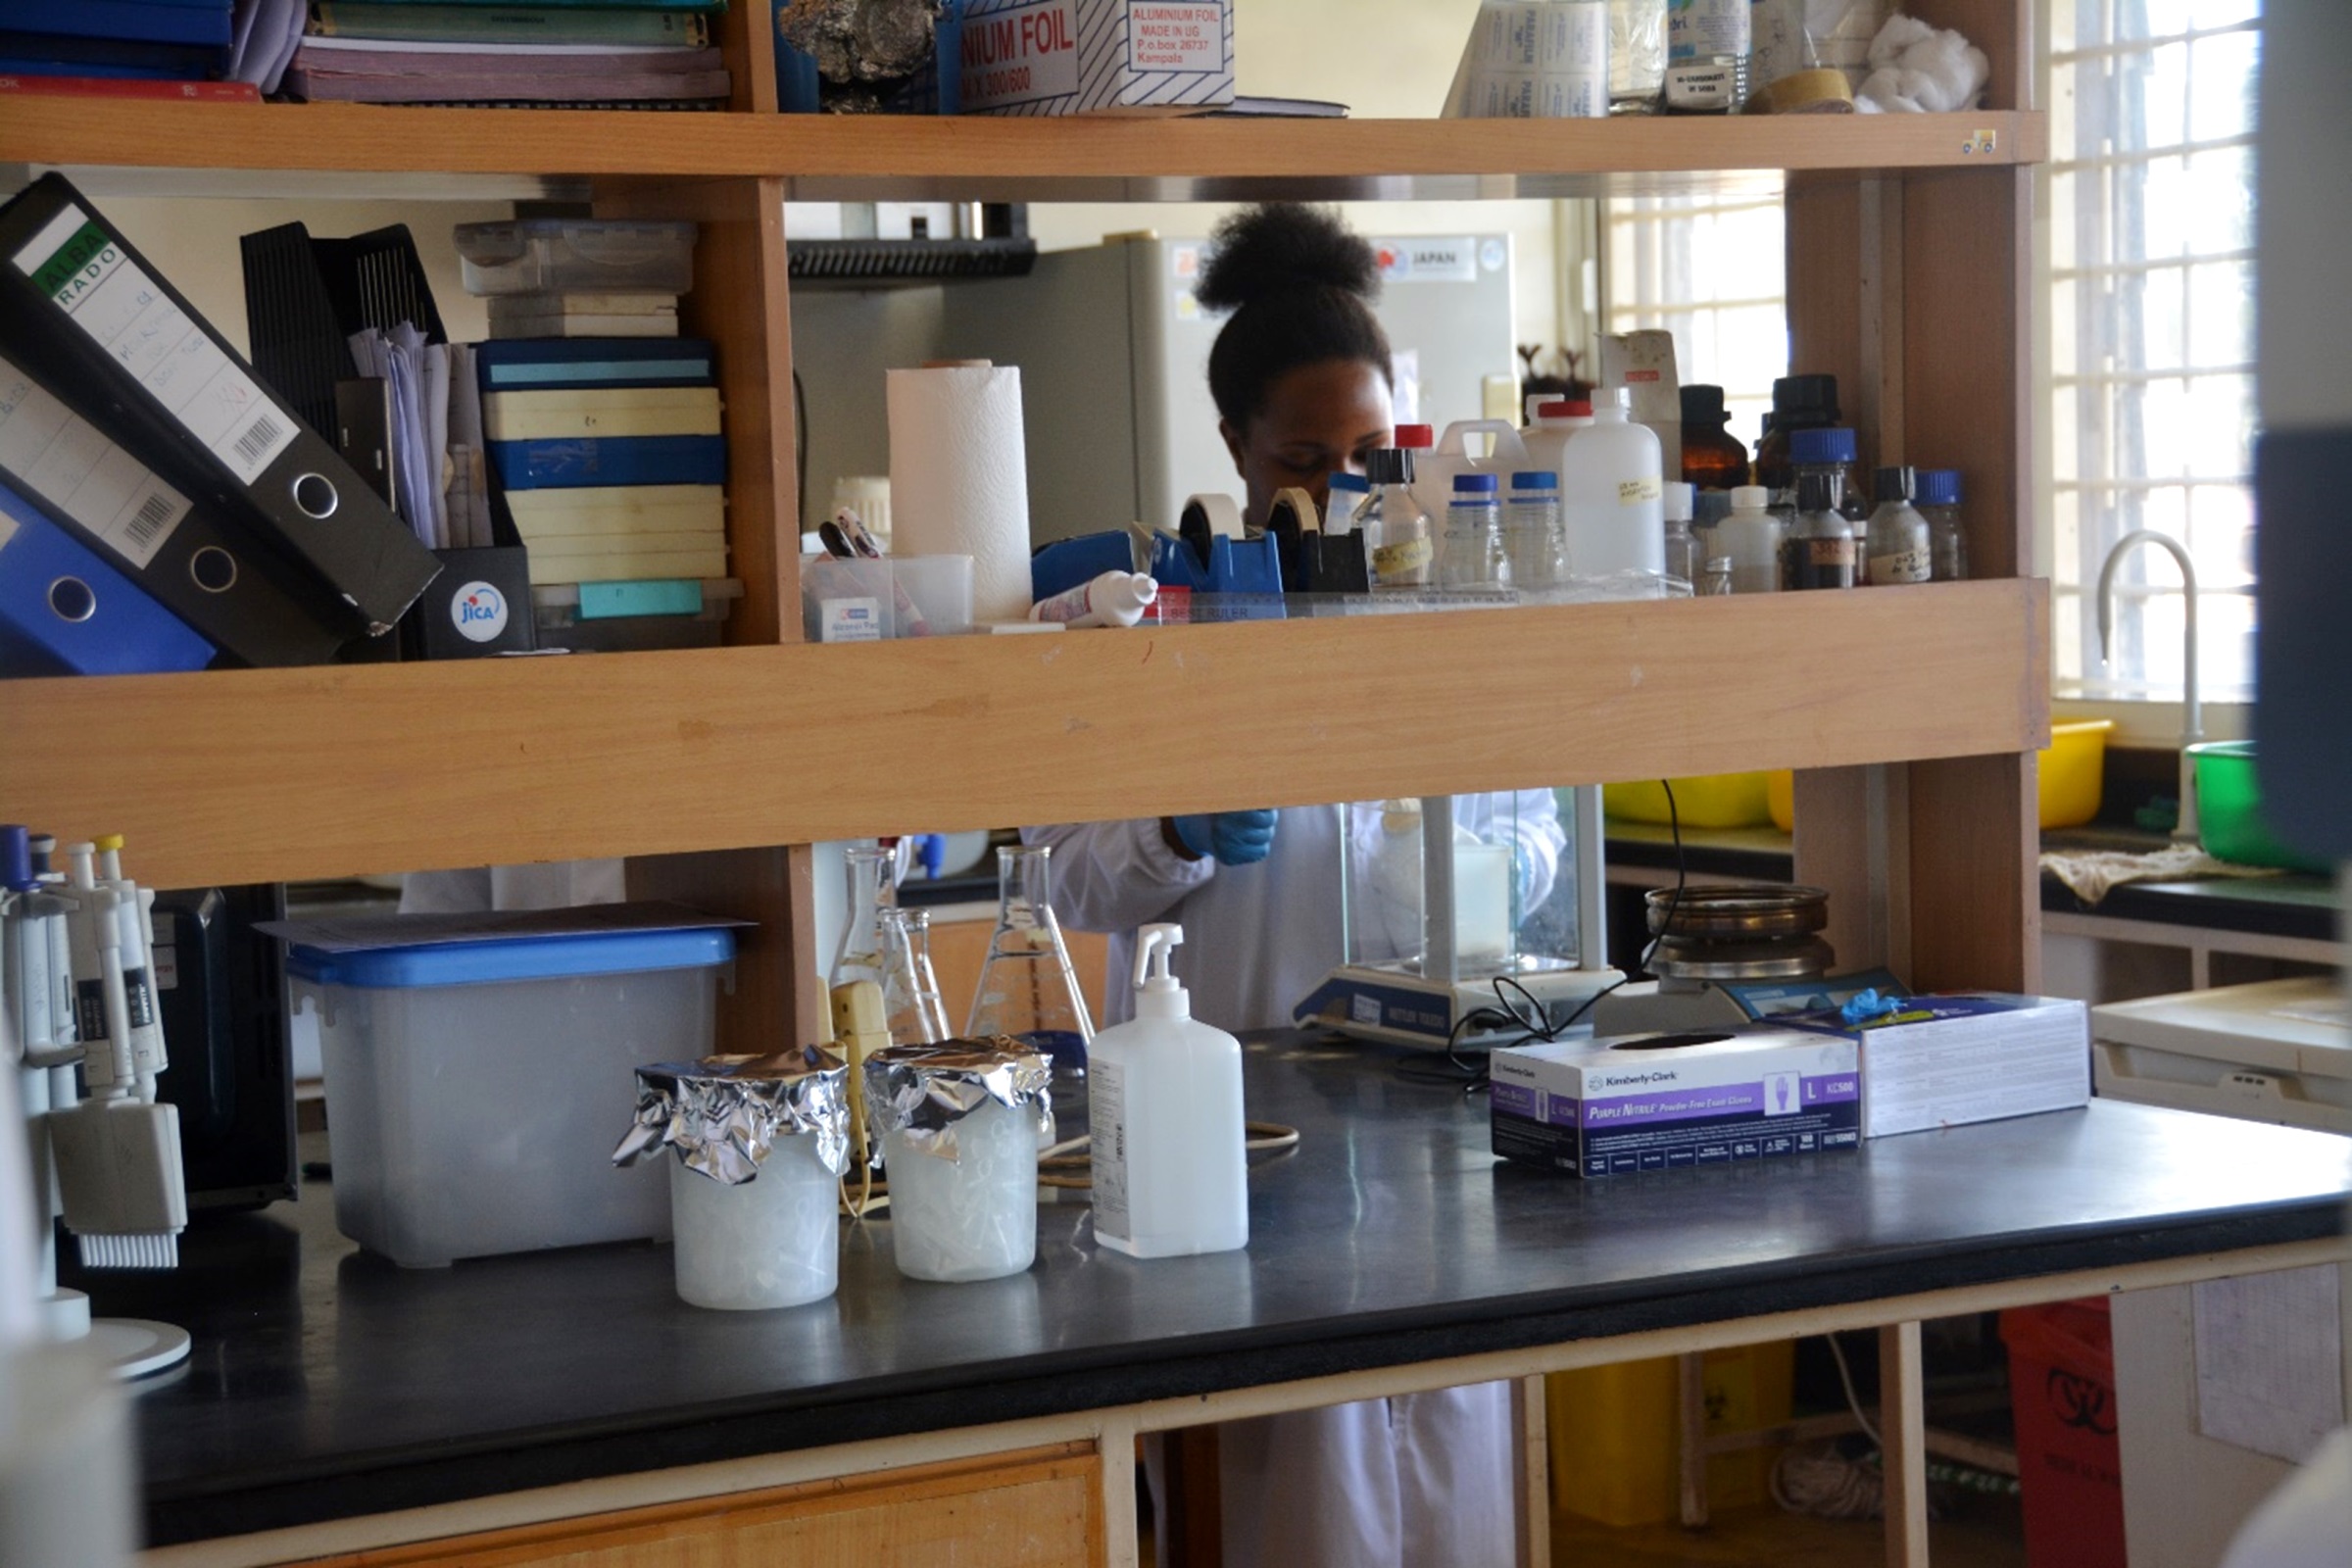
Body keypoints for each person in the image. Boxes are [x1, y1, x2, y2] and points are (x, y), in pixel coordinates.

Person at [1025, 204, 1550, 1568]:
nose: (1344, 484)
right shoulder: (1150, 615)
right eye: (1304, 459)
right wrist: (1175, 833)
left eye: (1373, 452)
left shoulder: (1459, 614)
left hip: (1444, 1119)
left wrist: (1459, 856)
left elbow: (1547, 831)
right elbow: (1059, 872)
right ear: (1234, 452)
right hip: (1249, 1127)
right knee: (1290, 1489)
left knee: (1457, 1471)